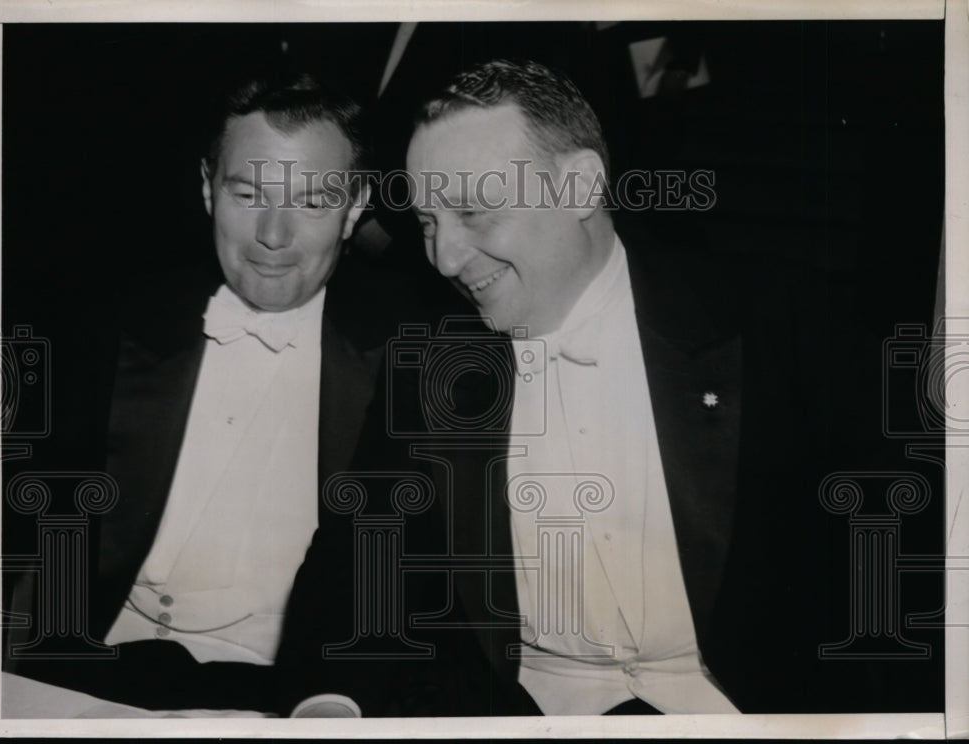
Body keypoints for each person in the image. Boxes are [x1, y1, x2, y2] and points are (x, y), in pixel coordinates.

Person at [371, 58, 940, 714]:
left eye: (472, 210)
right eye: (427, 222)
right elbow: (360, 564)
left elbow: (912, 547)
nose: (443, 256)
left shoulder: (780, 323)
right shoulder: (427, 365)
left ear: (581, 186)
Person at [5, 68, 401, 715]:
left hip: (277, 696)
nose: (273, 235)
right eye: (248, 193)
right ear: (207, 189)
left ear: (356, 206)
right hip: (91, 674)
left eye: (311, 200)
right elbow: (15, 515)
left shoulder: (403, 358)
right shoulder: (113, 323)